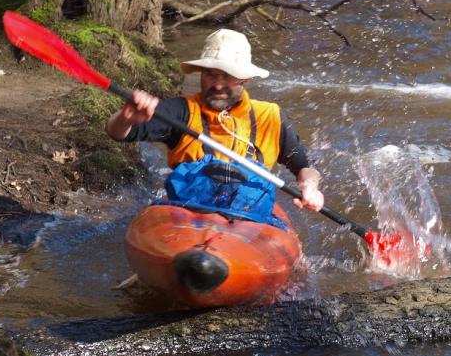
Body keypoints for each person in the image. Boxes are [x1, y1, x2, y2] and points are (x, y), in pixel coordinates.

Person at [106, 29, 325, 217]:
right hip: (190, 211)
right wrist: (126, 117)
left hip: (249, 217)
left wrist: (310, 187)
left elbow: (305, 168)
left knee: (300, 268)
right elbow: (117, 132)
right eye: (211, 75)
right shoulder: (181, 111)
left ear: (245, 79)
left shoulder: (269, 116)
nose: (218, 85)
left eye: (227, 76)